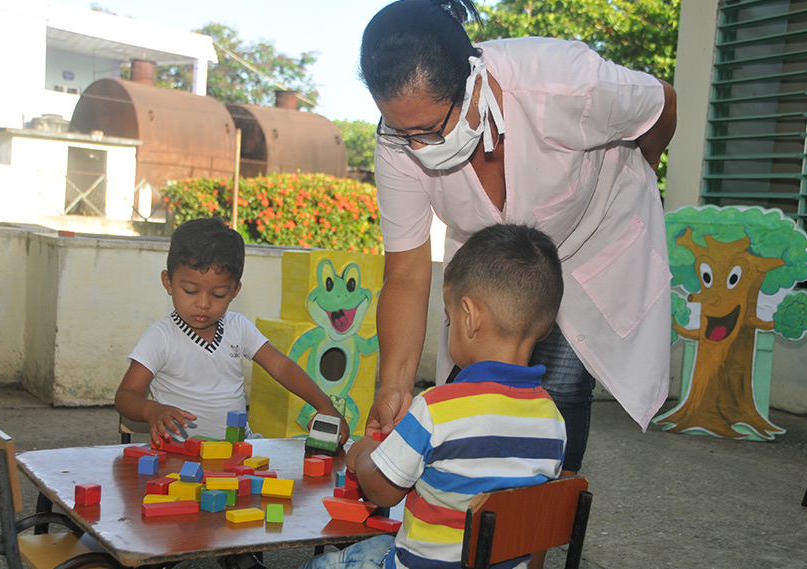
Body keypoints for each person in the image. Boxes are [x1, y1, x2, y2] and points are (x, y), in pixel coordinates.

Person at [361, 0, 677, 481]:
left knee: (563, 392)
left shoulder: (564, 82)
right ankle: (474, 527)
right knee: (472, 394)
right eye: (406, 134)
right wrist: (394, 383)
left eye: (429, 129)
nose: (418, 146)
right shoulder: (395, 140)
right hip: (495, 268)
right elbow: (406, 273)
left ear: (471, 82)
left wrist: (634, 174)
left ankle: (535, 530)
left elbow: (663, 105)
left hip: (591, 243)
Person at [302, 223, 567, 569]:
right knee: (384, 540)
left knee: (321, 566)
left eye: (449, 318)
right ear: (545, 327)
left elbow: (384, 491)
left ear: (470, 317)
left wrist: (363, 455)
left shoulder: (437, 407)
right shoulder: (553, 421)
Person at [115, 217, 349, 446]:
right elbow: (126, 395)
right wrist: (151, 410)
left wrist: (324, 404)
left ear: (235, 291)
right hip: (179, 454)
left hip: (238, 449)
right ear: (168, 282)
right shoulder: (161, 337)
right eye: (189, 290)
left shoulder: (238, 327)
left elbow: (281, 366)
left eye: (218, 294)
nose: (203, 304)